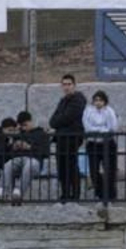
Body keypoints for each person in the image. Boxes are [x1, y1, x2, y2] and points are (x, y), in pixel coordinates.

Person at [0, 111, 49, 206]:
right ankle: (2, 189)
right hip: (19, 158)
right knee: (8, 165)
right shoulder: (19, 134)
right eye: (21, 125)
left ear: (31, 122)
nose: (23, 127)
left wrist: (29, 147)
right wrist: (13, 146)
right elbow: (8, 153)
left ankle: (19, 190)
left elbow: (45, 152)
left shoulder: (41, 134)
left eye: (25, 125)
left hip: (34, 159)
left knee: (30, 165)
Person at [49, 73, 86, 202]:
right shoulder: (63, 100)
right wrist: (59, 120)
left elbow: (67, 117)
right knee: (62, 167)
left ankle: (75, 194)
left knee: (71, 166)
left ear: (74, 85)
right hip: (61, 138)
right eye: (64, 84)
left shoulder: (78, 99)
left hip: (72, 138)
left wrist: (59, 120)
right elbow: (53, 121)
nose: (66, 87)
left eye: (69, 84)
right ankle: (65, 193)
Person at [82, 90, 120, 203]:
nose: (98, 102)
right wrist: (100, 130)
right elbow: (87, 126)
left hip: (108, 143)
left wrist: (100, 131)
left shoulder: (109, 111)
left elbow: (112, 127)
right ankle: (100, 193)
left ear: (105, 101)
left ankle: (110, 196)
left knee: (109, 170)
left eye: (101, 100)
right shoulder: (88, 111)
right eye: (96, 100)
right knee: (94, 170)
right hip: (93, 143)